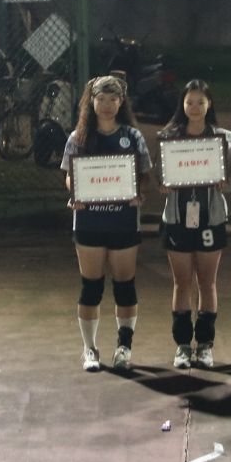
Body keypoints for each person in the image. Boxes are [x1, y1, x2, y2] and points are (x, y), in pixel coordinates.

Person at [61, 74, 152, 371]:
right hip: (89, 221)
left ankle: (124, 347)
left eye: (114, 99)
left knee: (124, 286)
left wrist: (138, 192)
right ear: (91, 102)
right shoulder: (78, 137)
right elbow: (70, 175)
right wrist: (75, 193)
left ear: (122, 102)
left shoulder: (132, 136)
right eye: (101, 99)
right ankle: (90, 349)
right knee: (91, 286)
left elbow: (144, 174)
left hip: (123, 221)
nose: (107, 105)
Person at [158, 80, 231, 369]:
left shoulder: (221, 138)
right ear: (182, 104)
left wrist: (223, 182)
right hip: (177, 218)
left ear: (209, 104)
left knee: (207, 282)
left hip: (210, 218)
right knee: (181, 282)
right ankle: (182, 345)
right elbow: (160, 179)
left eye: (200, 102)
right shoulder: (169, 138)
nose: (194, 107)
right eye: (189, 102)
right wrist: (164, 186)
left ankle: (204, 345)